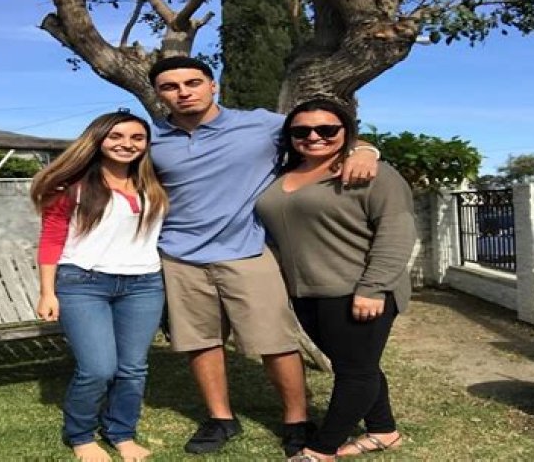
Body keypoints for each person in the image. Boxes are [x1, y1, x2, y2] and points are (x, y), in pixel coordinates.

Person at [147, 56, 380, 456]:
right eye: (170, 87)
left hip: (249, 251)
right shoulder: (151, 139)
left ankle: (296, 420)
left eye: (193, 82)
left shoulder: (260, 124)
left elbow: (321, 131)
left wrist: (365, 149)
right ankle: (221, 418)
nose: (183, 92)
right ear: (158, 94)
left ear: (212, 85)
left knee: (276, 341)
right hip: (179, 255)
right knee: (201, 341)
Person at [256, 98, 416, 460]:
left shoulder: (371, 173)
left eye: (327, 129)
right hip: (306, 292)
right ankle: (384, 431)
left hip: (357, 289)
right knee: (356, 365)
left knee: (354, 373)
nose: (314, 136)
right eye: (301, 130)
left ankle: (320, 449)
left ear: (347, 132)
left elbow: (396, 231)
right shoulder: (282, 173)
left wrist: (373, 288)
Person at [30, 111, 168, 462]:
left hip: (144, 284)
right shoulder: (71, 186)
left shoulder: (154, 184)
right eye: (116, 136)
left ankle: (121, 432)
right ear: (98, 139)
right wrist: (47, 292)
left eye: (137, 137)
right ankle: (80, 435)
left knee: (133, 368)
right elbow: (51, 239)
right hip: (83, 284)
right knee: (97, 368)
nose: (127, 144)